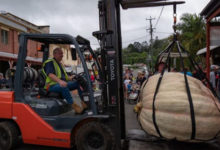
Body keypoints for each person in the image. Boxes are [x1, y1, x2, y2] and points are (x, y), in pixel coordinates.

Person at [43, 48, 87, 114]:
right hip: (51, 86)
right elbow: (50, 75)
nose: (62, 55)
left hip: (58, 84)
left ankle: (83, 104)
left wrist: (73, 78)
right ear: (54, 54)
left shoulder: (60, 64)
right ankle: (76, 107)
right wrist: (60, 81)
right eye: (60, 53)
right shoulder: (50, 62)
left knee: (77, 83)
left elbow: (65, 77)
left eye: (62, 54)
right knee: (63, 86)